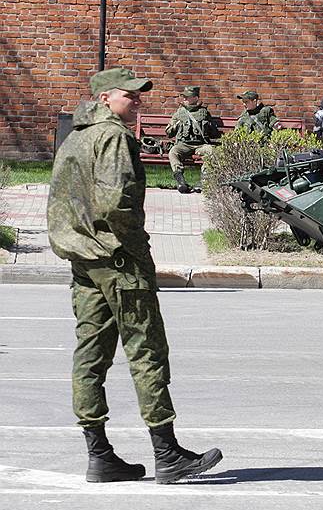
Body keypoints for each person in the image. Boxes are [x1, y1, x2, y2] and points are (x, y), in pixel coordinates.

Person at [47, 68, 222, 484]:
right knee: (147, 352)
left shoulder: (76, 136)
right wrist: (136, 247)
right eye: (131, 95)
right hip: (119, 260)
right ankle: (167, 453)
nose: (139, 101)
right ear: (105, 98)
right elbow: (116, 203)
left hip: (84, 259)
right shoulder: (114, 137)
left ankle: (99, 454)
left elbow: (60, 202)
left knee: (90, 356)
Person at [165, 86, 219, 194]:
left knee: (212, 151)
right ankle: (181, 181)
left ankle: (203, 181)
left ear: (195, 98)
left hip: (201, 145)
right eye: (183, 96)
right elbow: (168, 133)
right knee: (173, 152)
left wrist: (209, 126)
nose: (184, 98)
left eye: (187, 96)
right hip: (184, 144)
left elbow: (214, 133)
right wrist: (176, 125)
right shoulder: (179, 112)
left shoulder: (204, 113)